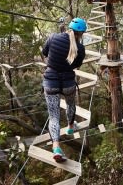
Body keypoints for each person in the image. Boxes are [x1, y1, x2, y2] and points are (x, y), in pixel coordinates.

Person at [42, 17, 87, 163]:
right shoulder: (80, 48)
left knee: (54, 116)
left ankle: (56, 147)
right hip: (68, 82)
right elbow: (76, 65)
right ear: (82, 34)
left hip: (50, 82)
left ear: (69, 28)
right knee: (70, 104)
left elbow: (45, 53)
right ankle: (70, 127)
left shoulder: (53, 37)